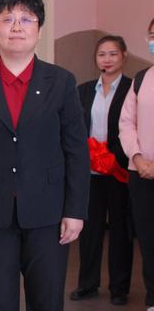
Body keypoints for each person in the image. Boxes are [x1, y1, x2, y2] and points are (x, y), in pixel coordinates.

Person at [0, 0, 90, 311]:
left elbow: (76, 150)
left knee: (47, 301)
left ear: (39, 30)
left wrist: (76, 210)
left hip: (49, 213)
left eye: (26, 19)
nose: (17, 26)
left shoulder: (61, 81)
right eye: (8, 19)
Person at [71, 35, 133, 305]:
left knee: (120, 230)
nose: (107, 59)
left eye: (113, 54)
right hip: (90, 171)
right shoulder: (84, 90)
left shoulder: (132, 88)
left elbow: (133, 127)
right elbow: (75, 128)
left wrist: (113, 156)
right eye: (101, 55)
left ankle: (119, 287)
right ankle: (87, 284)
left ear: (124, 56)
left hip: (120, 169)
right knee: (90, 230)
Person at [119, 16, 154, 311]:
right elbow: (126, 123)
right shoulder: (141, 79)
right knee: (149, 240)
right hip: (141, 173)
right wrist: (138, 157)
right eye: (153, 35)